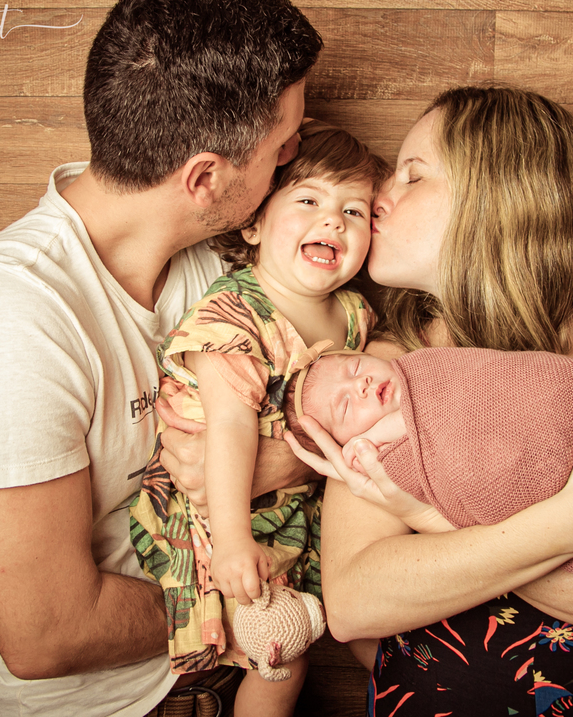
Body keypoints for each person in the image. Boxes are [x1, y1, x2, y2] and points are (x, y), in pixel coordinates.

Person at [0, 0, 322, 716]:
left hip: (231, 675)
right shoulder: (9, 322)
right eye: (283, 142)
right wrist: (251, 612)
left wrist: (286, 453)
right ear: (203, 176)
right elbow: (45, 633)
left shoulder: (220, 259)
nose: (296, 153)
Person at [292, 86, 573, 716]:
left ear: (499, 198)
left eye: (412, 176)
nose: (377, 198)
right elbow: (355, 600)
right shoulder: (383, 368)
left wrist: (437, 527)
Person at [128, 121, 389, 716]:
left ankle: (426, 687)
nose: (333, 222)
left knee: (367, 615)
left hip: (298, 505)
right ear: (254, 223)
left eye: (354, 211)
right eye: (308, 201)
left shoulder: (353, 315)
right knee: (280, 653)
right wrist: (233, 542)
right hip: (214, 514)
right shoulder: (234, 314)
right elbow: (229, 429)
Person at [282, 344, 573, 574]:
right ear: (344, 446)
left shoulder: (424, 365)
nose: (363, 384)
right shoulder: (386, 465)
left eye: (355, 368)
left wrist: (376, 429)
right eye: (346, 406)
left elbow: (497, 379)